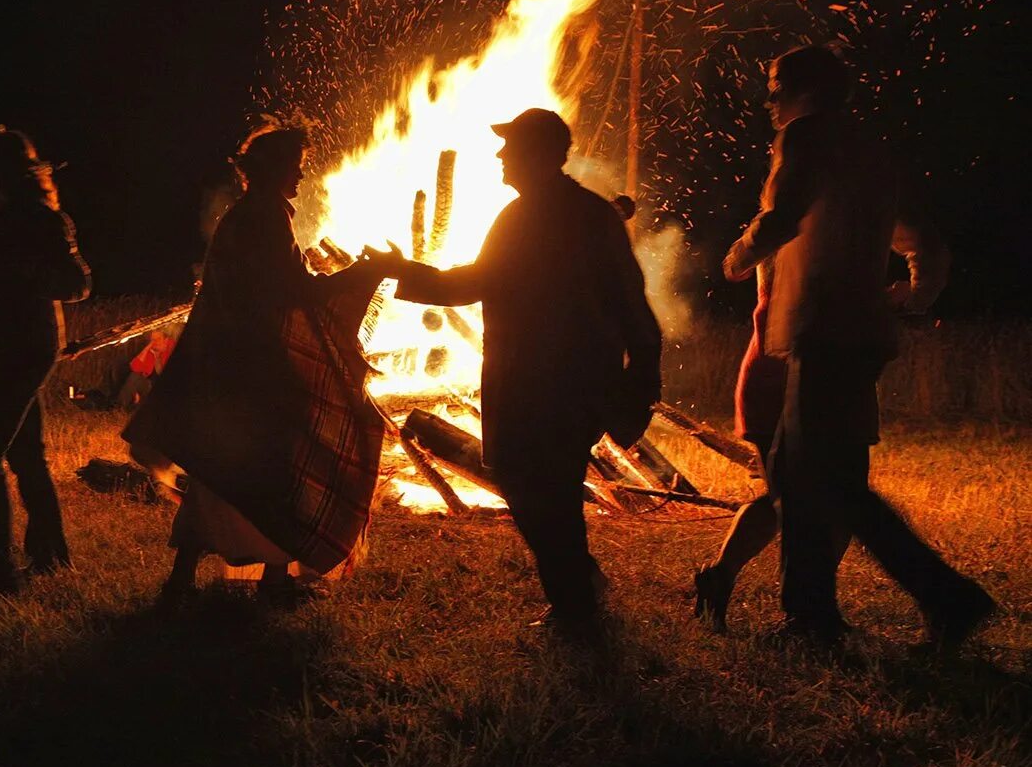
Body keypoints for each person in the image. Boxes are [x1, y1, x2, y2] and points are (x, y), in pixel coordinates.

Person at [719, 44, 993, 649]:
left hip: (822, 333)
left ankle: (941, 597)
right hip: (856, 333)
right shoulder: (869, 149)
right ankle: (812, 616)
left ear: (804, 88)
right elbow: (923, 240)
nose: (769, 97)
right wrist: (916, 294)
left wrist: (737, 260)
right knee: (800, 475)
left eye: (776, 83)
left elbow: (780, 219)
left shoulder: (805, 137)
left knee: (824, 481)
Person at [366, 108, 662, 635]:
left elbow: (626, 300)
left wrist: (642, 379)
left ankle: (576, 606)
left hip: (552, 383)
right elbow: (482, 280)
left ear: (540, 154)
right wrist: (402, 271)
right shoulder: (544, 215)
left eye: (511, 147)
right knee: (534, 486)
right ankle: (578, 585)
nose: (501, 156)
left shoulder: (561, 218)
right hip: (539, 377)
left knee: (544, 488)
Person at [123, 125, 386, 605]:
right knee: (268, 470)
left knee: (224, 470)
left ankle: (197, 580)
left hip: (233, 366)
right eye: (295, 167)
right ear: (271, 170)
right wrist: (360, 273)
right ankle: (268, 582)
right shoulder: (263, 217)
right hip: (252, 371)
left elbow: (280, 286)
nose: (302, 177)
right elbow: (292, 293)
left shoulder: (250, 215)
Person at [0, 126, 91, 594]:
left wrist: (20, 277)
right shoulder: (5, 216)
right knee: (26, 454)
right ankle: (51, 555)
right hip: (14, 346)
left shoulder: (41, 218)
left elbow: (77, 284)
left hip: (28, 347)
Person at [116, 324, 177, 409]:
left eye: (158, 339)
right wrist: (147, 348)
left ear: (166, 340)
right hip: (150, 387)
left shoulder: (172, 347)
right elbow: (134, 367)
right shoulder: (151, 351)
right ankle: (119, 409)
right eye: (152, 340)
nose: (154, 342)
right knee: (134, 377)